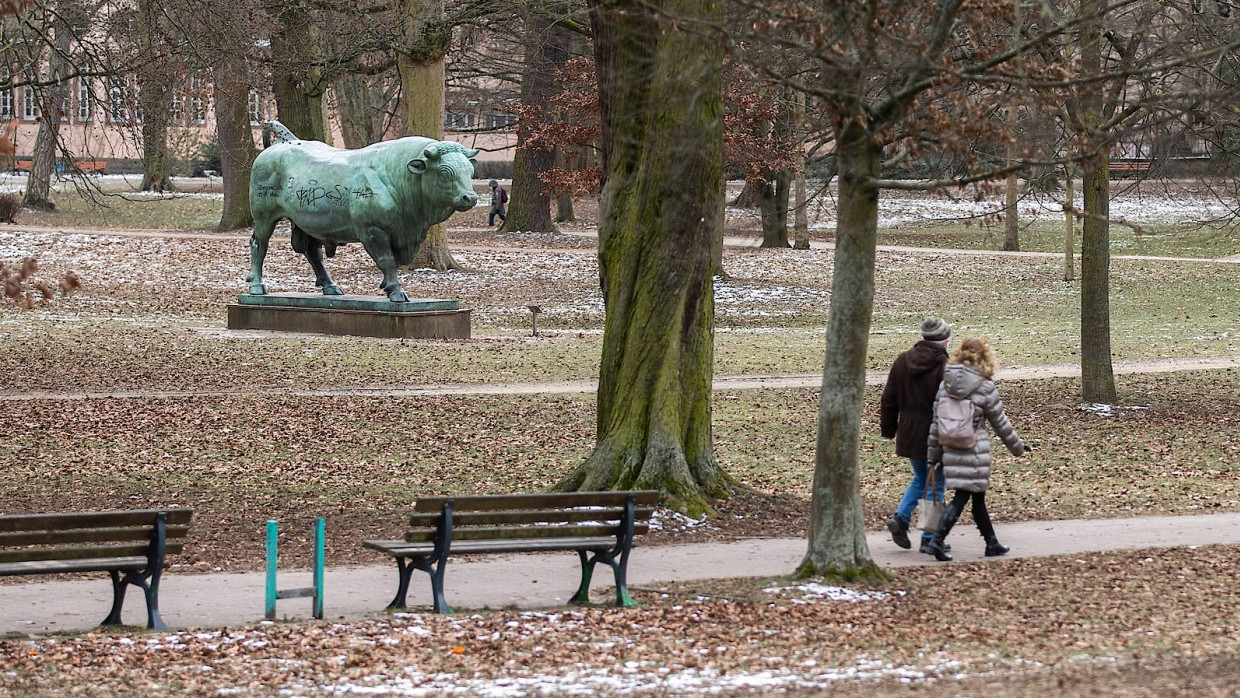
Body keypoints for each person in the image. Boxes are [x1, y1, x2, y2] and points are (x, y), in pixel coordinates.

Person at [926, 336, 1031, 562]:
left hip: (950, 447)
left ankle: (991, 543)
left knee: (977, 497)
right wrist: (1018, 448)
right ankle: (936, 541)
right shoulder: (985, 386)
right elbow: (1000, 423)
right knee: (963, 496)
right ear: (985, 356)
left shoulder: (946, 383)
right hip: (973, 450)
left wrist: (933, 456)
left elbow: (936, 423)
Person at [880, 316, 951, 554]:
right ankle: (930, 536)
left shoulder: (902, 361)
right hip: (935, 433)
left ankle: (901, 518)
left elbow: (889, 399)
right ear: (944, 340)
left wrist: (889, 430)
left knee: (922, 479)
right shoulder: (943, 366)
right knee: (936, 482)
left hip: (909, 431)